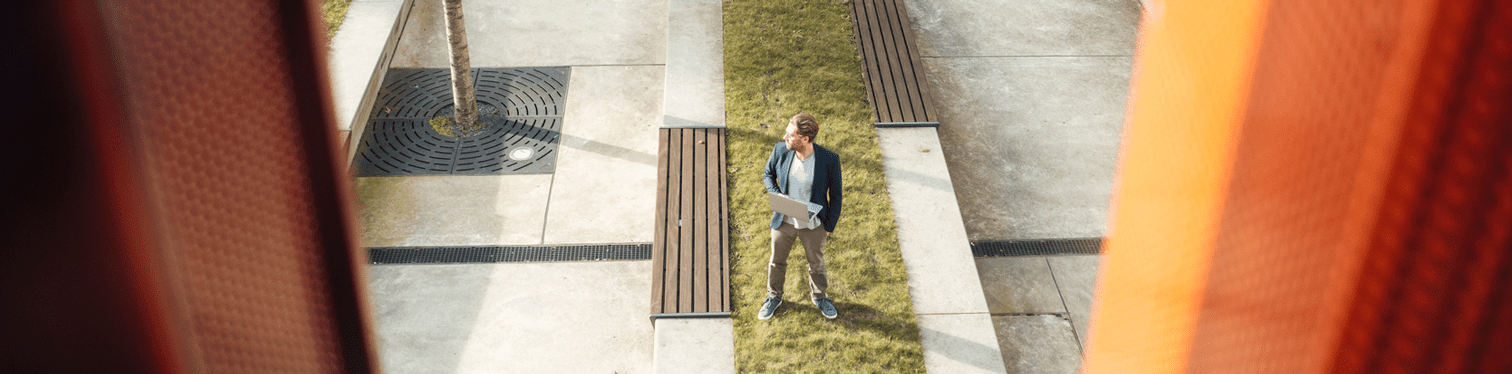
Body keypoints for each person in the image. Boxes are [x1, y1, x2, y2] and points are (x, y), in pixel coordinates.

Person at [758, 113, 842, 320]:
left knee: (816, 264)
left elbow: (836, 195)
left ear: (805, 139)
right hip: (784, 221)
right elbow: (768, 174)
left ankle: (820, 297)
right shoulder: (781, 150)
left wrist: (828, 226)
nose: (784, 138)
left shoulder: (828, 160)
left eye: (790, 135)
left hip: (813, 224)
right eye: (787, 134)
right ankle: (774, 297)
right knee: (776, 261)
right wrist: (776, 193)